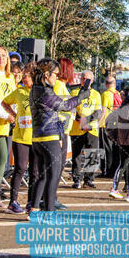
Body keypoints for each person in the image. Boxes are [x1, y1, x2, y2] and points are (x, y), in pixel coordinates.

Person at [29, 58, 90, 212]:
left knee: (42, 176)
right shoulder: (45, 91)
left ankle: (34, 209)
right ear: (46, 74)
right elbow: (65, 106)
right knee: (53, 176)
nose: (56, 77)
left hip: (37, 138)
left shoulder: (35, 89)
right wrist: (80, 98)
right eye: (55, 74)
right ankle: (48, 213)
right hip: (49, 137)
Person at [1, 62, 36, 214]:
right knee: (20, 168)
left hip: (37, 138)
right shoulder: (19, 92)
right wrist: (14, 116)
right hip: (20, 137)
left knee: (35, 172)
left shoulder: (40, 92)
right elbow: (4, 102)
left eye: (26, 75)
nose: (23, 78)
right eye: (23, 75)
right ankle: (12, 202)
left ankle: (31, 202)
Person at [69, 71, 102, 189]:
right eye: (83, 78)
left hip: (91, 129)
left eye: (87, 79)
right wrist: (79, 119)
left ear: (92, 81)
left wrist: (86, 121)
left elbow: (98, 111)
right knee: (76, 154)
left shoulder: (96, 94)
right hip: (76, 129)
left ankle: (89, 179)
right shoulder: (74, 92)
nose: (85, 80)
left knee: (92, 153)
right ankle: (77, 179)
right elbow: (70, 108)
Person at [53, 57, 76, 210]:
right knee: (56, 166)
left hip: (63, 129)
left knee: (59, 166)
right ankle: (49, 197)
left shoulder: (62, 85)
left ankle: (52, 196)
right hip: (58, 130)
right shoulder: (58, 85)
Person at [0, 46, 16, 209]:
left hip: (4, 127)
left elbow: (12, 101)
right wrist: (6, 116)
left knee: (2, 161)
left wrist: (14, 115)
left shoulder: (10, 78)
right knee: (1, 160)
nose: (0, 59)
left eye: (3, 56)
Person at [98, 75, 122, 178]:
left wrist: (98, 123)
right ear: (115, 84)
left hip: (106, 124)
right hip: (116, 124)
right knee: (114, 149)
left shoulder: (106, 94)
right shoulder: (118, 94)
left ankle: (106, 171)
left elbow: (103, 111)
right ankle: (114, 170)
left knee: (106, 148)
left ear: (106, 84)